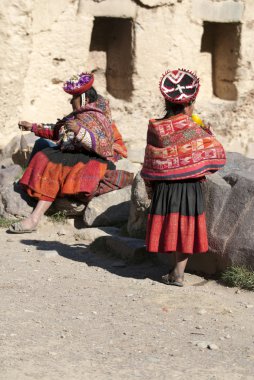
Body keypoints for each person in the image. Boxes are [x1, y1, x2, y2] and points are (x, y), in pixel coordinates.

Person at [9, 72, 133, 233]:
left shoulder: (97, 116)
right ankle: (32, 195)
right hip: (76, 155)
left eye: (73, 98)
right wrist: (32, 127)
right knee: (43, 152)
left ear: (84, 99)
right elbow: (57, 130)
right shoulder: (77, 115)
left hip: (97, 159)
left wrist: (79, 131)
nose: (70, 101)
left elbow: (103, 145)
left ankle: (34, 218)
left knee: (54, 165)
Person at [141, 69, 226, 286]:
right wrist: (207, 133)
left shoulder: (156, 127)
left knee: (171, 227)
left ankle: (175, 272)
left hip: (165, 188)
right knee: (186, 228)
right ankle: (178, 272)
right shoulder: (193, 128)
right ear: (189, 104)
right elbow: (217, 154)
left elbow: (151, 158)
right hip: (189, 187)